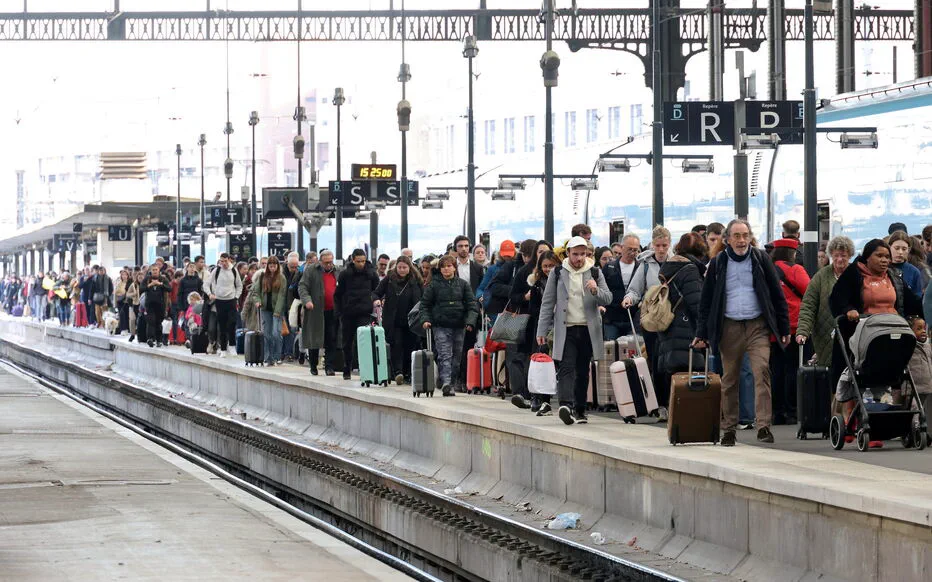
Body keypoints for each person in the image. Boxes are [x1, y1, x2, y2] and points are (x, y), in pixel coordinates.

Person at [695, 219, 790, 446]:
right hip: (729, 326)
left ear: (750, 237)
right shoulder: (718, 263)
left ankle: (764, 425)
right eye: (736, 236)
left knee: (761, 372)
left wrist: (783, 327)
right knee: (730, 379)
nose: (741, 240)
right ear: (727, 239)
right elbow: (706, 301)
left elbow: (777, 294)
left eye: (745, 235)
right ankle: (728, 429)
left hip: (757, 325)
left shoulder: (760, 259)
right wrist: (702, 333)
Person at [830, 239, 924, 426]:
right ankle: (851, 415)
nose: (884, 260)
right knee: (858, 372)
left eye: (887, 257)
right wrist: (848, 309)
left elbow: (912, 302)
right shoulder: (854, 274)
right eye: (879, 256)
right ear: (867, 257)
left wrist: (920, 321)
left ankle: (891, 417)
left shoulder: (894, 277)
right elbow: (836, 299)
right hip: (862, 333)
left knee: (894, 370)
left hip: (892, 332)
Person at [536, 236, 613, 425]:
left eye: (583, 254)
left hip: (588, 328)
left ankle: (580, 409)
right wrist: (542, 330)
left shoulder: (594, 271)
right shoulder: (558, 272)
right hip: (566, 328)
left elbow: (608, 298)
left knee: (582, 370)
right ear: (568, 254)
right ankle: (565, 405)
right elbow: (547, 303)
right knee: (566, 366)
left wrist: (595, 291)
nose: (579, 258)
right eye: (575, 254)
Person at [655, 232, 708, 422]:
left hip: (670, 325)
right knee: (689, 370)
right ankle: (687, 415)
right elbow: (697, 303)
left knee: (674, 371)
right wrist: (705, 329)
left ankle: (675, 411)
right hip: (686, 326)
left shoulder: (669, 267)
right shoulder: (690, 270)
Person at [796, 236, 856, 389]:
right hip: (825, 336)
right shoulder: (821, 276)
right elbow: (809, 305)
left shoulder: (856, 275)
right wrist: (803, 331)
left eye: (843, 255)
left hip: (852, 335)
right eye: (836, 255)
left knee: (851, 376)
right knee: (829, 380)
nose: (839, 259)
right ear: (831, 255)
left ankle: (847, 411)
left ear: (850, 255)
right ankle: (830, 411)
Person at [420, 255, 480, 396]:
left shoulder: (463, 285)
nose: (446, 269)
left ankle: (450, 382)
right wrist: (425, 320)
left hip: (459, 326)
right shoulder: (433, 285)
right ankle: (447, 382)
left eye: (449, 266)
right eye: (443, 266)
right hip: (440, 325)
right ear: (439, 269)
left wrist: (470, 321)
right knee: (444, 354)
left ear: (454, 267)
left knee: (457, 357)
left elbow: (472, 305)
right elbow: (424, 305)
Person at [511, 251, 560, 414]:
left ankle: (549, 398)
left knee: (557, 363)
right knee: (541, 363)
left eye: (551, 266)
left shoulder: (563, 280)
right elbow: (532, 308)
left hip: (561, 327)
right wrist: (547, 310)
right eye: (545, 266)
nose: (548, 269)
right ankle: (538, 398)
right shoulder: (537, 284)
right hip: (542, 327)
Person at [768, 237, 811, 425]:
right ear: (792, 253)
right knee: (793, 369)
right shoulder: (795, 270)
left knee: (776, 370)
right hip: (794, 327)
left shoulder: (767, 270)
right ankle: (792, 410)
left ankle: (777, 412)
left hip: (773, 328)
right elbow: (809, 293)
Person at [488, 239, 538, 396]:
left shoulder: (540, 268)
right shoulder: (512, 267)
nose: (528, 260)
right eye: (526, 256)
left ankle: (530, 391)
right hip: (516, 315)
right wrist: (519, 291)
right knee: (515, 354)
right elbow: (494, 286)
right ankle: (519, 392)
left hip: (534, 317)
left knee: (530, 354)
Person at [623, 225, 672, 377]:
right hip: (650, 318)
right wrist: (628, 299)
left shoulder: (676, 262)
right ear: (652, 244)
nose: (661, 249)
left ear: (669, 244)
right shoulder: (645, 264)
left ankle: (666, 392)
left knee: (669, 357)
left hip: (670, 317)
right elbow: (635, 289)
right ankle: (656, 394)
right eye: (657, 245)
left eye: (664, 245)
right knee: (653, 356)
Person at [373, 255, 423, 384]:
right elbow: (376, 292)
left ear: (409, 268)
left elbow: (423, 297)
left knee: (410, 346)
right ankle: (398, 372)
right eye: (399, 267)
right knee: (397, 345)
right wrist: (377, 300)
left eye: (404, 267)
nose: (401, 270)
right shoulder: (389, 279)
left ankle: (408, 372)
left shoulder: (416, 280)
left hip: (412, 320)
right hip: (393, 319)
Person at [335, 249, 380, 380]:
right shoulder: (345, 275)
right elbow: (338, 294)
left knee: (363, 342)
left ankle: (364, 368)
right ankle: (347, 367)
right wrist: (339, 312)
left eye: (363, 261)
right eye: (358, 261)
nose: (361, 264)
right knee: (347, 342)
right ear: (353, 260)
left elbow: (376, 291)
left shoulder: (371, 274)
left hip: (364, 312)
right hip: (348, 312)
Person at [304, 250, 340, 376]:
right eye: (326, 263)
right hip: (316, 310)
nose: (329, 265)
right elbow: (302, 287)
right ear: (320, 261)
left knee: (331, 338)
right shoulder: (311, 270)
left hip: (332, 310)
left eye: (330, 262)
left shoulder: (337, 271)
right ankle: (313, 365)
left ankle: (329, 366)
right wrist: (307, 300)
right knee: (315, 338)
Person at [248, 255, 287, 366]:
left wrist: (277, 311)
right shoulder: (262, 277)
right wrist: (257, 301)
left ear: (277, 266)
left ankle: (277, 356)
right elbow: (255, 291)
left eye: (274, 266)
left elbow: (282, 296)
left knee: (276, 333)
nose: (272, 269)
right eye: (270, 266)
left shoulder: (282, 278)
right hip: (265, 309)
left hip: (277, 310)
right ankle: (268, 357)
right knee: (267, 334)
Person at [602, 234, 641, 340]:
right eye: (629, 249)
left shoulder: (641, 268)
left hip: (633, 319)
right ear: (622, 247)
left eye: (635, 250)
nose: (632, 253)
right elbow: (602, 289)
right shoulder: (609, 267)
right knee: (611, 352)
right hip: (612, 319)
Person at [204, 253, 243, 357]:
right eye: (222, 261)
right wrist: (210, 294)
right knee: (222, 325)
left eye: (226, 261)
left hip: (231, 300)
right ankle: (223, 349)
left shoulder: (234, 271)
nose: (224, 263)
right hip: (219, 300)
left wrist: (236, 297)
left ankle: (232, 346)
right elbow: (206, 284)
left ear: (229, 260)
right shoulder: (216, 271)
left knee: (232, 323)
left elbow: (239, 285)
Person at [476, 241, 514, 308]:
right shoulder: (492, 269)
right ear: (500, 253)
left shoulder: (518, 267)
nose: (507, 257)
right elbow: (481, 288)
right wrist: (481, 296)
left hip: (514, 308)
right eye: (505, 254)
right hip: (495, 308)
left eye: (509, 255)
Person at [888, 230, 924, 298]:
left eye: (904, 249)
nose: (900, 252)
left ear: (909, 250)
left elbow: (918, 297)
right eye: (897, 248)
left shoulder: (914, 272)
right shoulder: (883, 268)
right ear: (889, 247)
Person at [281, 252, 303, 361]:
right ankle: (282, 352)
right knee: (282, 329)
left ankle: (289, 353)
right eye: (291, 266)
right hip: (281, 304)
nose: (293, 269)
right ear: (287, 263)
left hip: (293, 305)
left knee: (291, 329)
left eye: (295, 266)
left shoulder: (300, 272)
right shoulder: (280, 272)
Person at [142, 264, 170, 348]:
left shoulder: (163, 279)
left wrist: (159, 284)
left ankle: (159, 340)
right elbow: (141, 288)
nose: (155, 271)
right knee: (151, 321)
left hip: (160, 304)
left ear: (159, 271)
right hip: (149, 304)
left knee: (158, 322)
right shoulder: (147, 279)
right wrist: (149, 285)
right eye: (153, 270)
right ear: (151, 271)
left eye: (156, 270)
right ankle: (150, 338)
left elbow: (169, 288)